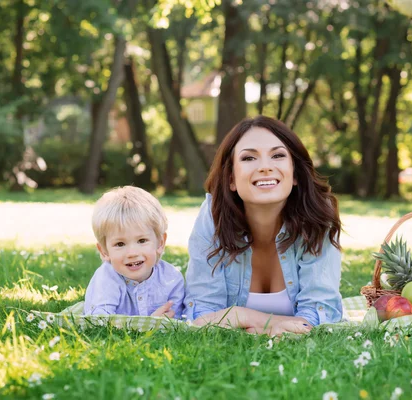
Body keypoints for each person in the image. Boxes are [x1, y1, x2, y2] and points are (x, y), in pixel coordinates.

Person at [184, 116, 342, 335]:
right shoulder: (213, 216)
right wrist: (252, 318)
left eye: (277, 155)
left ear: (295, 173)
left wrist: (241, 320)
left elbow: (320, 314)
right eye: (249, 158)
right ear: (231, 178)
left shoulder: (316, 219)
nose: (265, 167)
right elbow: (202, 316)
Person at [84, 186, 184, 318]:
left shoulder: (171, 279)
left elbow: (178, 323)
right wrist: (148, 324)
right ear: (104, 251)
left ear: (160, 243)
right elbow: (98, 321)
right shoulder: (106, 278)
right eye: (120, 244)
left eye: (142, 241)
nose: (132, 253)